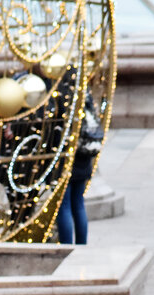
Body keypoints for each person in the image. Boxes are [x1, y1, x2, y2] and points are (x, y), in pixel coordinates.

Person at [57, 92, 102, 246]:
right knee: (78, 203)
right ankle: (82, 246)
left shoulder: (61, 91)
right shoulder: (84, 92)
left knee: (64, 205)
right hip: (84, 155)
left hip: (66, 157)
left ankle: (66, 247)